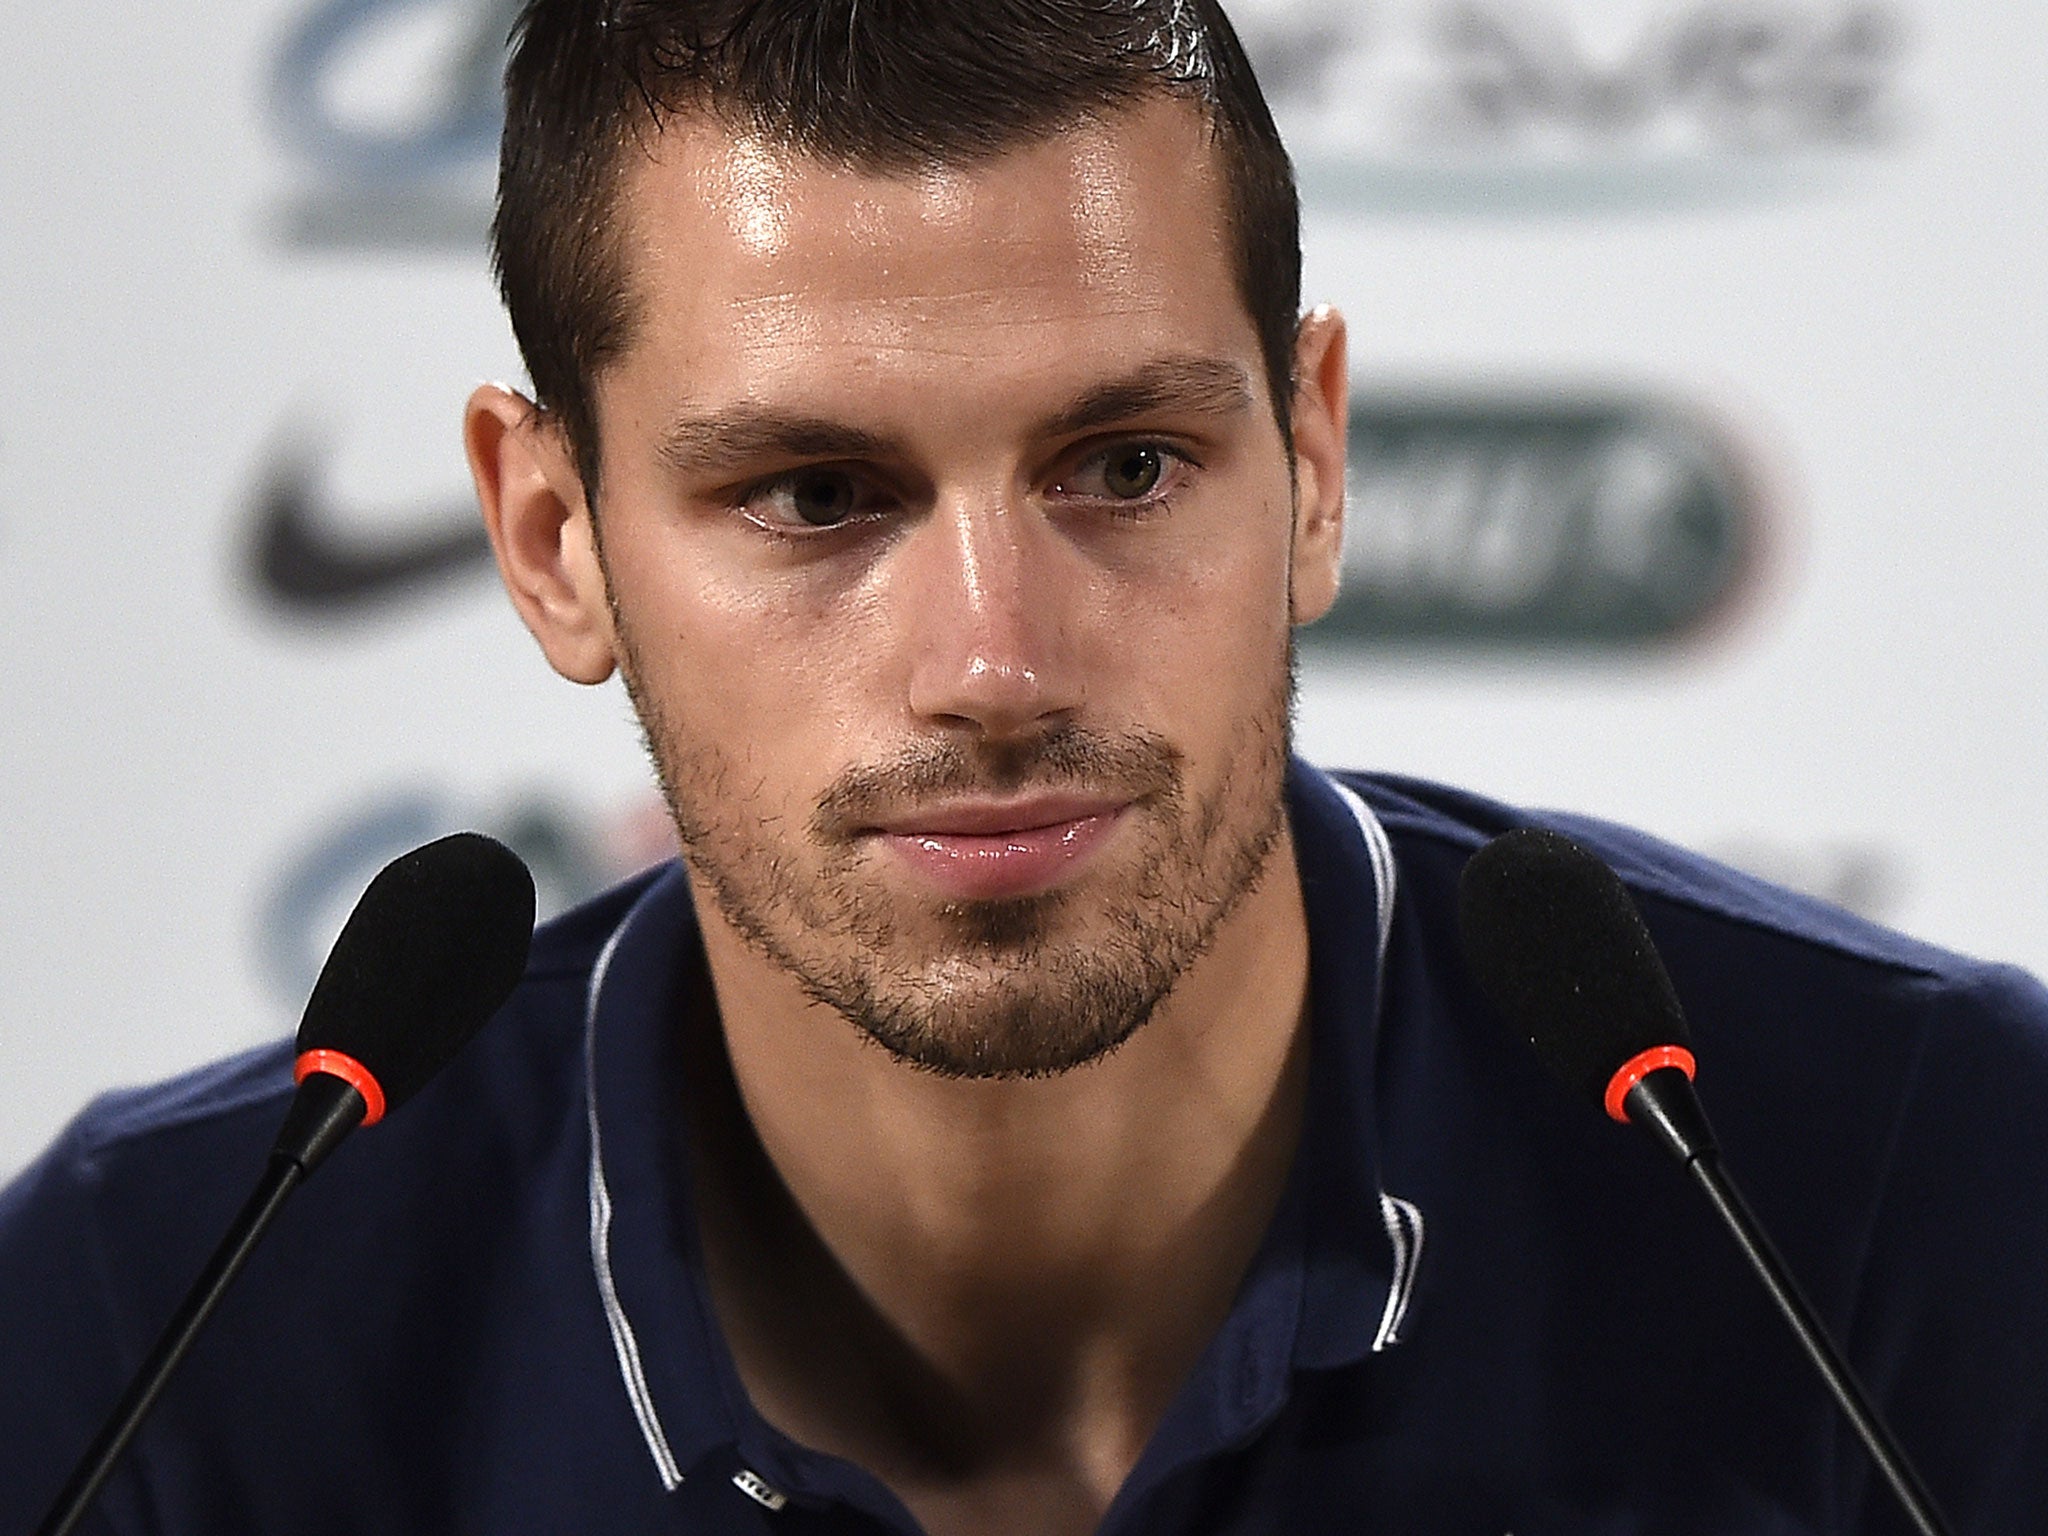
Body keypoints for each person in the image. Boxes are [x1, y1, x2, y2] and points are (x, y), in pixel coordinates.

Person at [4, 2, 2047, 1532]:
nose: (993, 663)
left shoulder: (1929, 1190)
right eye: (813, 492)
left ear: (1312, 462)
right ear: (554, 540)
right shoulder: (152, 1328)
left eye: (1127, 465)